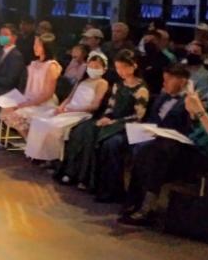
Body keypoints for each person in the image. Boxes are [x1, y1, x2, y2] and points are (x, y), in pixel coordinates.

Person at [120, 55, 208, 226]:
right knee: (151, 148)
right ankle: (137, 204)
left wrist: (200, 112)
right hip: (194, 146)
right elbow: (196, 126)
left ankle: (145, 207)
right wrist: (193, 113)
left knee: (157, 152)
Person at [94, 63, 192, 203]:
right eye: (164, 79)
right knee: (112, 142)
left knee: (143, 151)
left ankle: (137, 200)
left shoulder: (187, 102)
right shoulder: (163, 96)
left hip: (167, 140)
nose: (164, 83)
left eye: (169, 80)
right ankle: (111, 190)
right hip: (149, 131)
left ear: (182, 81)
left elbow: (183, 128)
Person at [56, 49, 149, 192]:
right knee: (83, 129)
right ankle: (75, 173)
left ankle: (91, 181)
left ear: (133, 66)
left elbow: (138, 116)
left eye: (123, 67)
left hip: (125, 125)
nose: (120, 71)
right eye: (118, 68)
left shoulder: (141, 89)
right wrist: (106, 117)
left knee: (100, 139)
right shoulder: (118, 85)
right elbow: (111, 106)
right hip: (111, 121)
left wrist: (113, 122)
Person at [23, 51, 109, 163]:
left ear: (104, 69)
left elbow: (94, 105)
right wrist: (61, 107)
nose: (93, 68)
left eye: (96, 67)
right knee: (39, 120)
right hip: (68, 109)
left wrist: (73, 109)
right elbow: (69, 97)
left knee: (53, 126)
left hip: (81, 113)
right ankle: (38, 155)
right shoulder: (82, 80)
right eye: (91, 65)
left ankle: (54, 158)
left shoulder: (102, 83)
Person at [0, 33, 62, 137]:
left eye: (38, 45)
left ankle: (32, 145)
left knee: (16, 115)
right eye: (34, 45)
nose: (35, 48)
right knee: (6, 110)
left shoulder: (51, 66)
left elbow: (48, 94)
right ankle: (30, 142)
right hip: (29, 98)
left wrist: (25, 104)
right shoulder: (34, 63)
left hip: (43, 103)